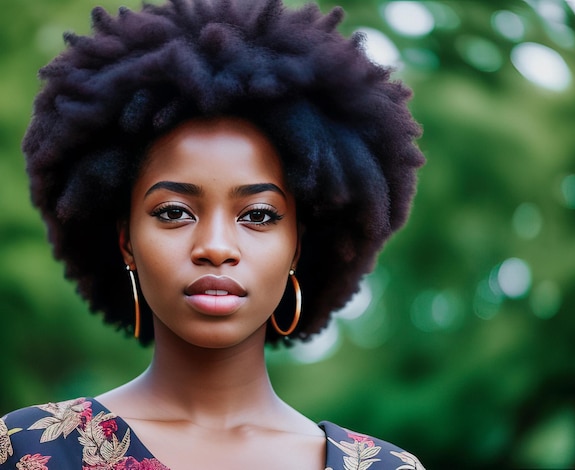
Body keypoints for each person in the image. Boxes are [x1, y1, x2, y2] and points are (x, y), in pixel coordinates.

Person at [0, 0, 426, 468]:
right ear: (127, 241)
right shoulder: (27, 448)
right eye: (174, 212)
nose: (216, 248)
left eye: (259, 216)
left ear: (297, 246)